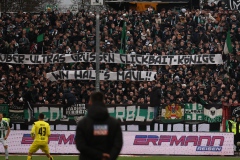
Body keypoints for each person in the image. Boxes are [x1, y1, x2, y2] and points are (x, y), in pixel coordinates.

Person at [75, 92, 123, 160]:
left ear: (90, 102)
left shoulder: (83, 123)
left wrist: (99, 155)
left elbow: (80, 145)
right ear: (103, 102)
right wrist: (108, 157)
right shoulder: (114, 123)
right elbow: (118, 145)